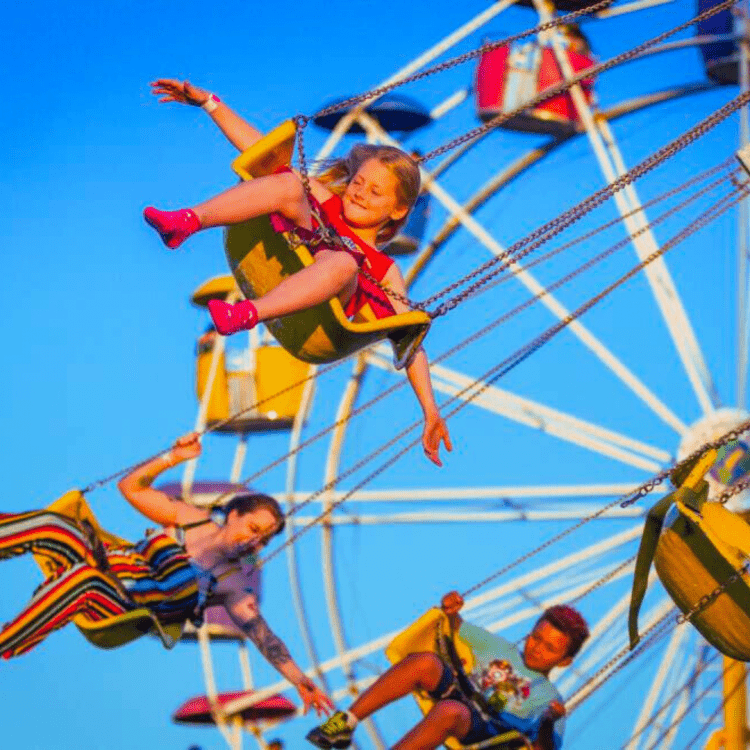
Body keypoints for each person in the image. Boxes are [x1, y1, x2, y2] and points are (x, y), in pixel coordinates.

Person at [143, 79, 452, 467]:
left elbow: (410, 339)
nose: (359, 193)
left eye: (376, 193)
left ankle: (248, 314)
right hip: (284, 262)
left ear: (397, 211)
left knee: (342, 262)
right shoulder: (327, 202)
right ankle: (186, 222)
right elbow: (260, 151)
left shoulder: (384, 269)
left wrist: (430, 410)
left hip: (320, 325)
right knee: (287, 182)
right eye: (358, 183)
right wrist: (209, 103)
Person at [0, 433, 332, 717]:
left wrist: (300, 680)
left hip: (121, 605)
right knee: (52, 526)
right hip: (109, 563)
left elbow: (266, 638)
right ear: (233, 515)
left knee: (83, 579)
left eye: (263, 539)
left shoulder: (233, 585)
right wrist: (174, 456)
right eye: (253, 528)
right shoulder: (192, 518)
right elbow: (131, 487)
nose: (254, 541)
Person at [306, 591, 589, 750]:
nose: (537, 648)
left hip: (491, 732)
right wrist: (451, 610)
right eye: (536, 638)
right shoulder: (498, 647)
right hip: (463, 691)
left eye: (549, 649)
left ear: (564, 661)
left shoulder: (548, 698)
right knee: (425, 661)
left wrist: (550, 721)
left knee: (451, 711)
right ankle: (347, 722)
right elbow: (455, 629)